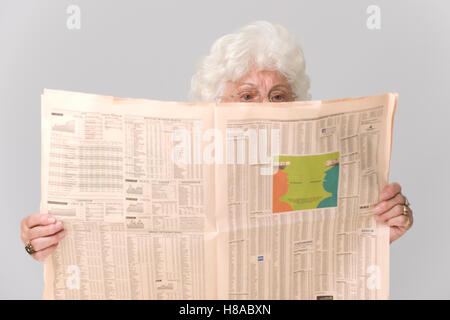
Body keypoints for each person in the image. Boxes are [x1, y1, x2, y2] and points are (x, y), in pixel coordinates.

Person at [21, 20, 413, 262]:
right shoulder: (173, 164)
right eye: (246, 95)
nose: (265, 106)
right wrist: (45, 242)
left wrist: (380, 233)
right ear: (215, 104)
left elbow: (332, 251)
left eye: (278, 96)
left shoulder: (315, 169)